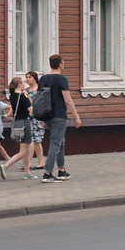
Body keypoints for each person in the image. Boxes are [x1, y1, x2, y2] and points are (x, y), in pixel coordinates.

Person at [40, 54, 81, 183]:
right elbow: (68, 101)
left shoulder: (43, 79)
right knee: (56, 143)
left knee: (60, 141)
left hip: (47, 115)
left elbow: (40, 100)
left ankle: (62, 170)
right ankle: (47, 173)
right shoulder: (62, 79)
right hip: (59, 115)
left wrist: (42, 119)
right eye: (63, 62)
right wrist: (77, 118)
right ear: (60, 64)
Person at [3, 76, 36, 180]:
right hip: (25, 123)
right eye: (22, 83)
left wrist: (7, 115)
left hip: (17, 123)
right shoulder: (23, 96)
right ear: (19, 85)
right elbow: (31, 110)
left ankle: (27, 172)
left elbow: (13, 110)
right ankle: (6, 166)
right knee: (23, 151)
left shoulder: (12, 96)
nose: (24, 85)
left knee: (24, 149)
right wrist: (28, 98)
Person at [24, 72, 46, 171]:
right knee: (30, 140)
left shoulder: (39, 90)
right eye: (26, 77)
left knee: (37, 141)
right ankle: (29, 163)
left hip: (38, 117)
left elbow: (43, 104)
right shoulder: (25, 91)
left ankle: (41, 162)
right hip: (28, 118)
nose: (27, 79)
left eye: (30, 77)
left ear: (35, 78)